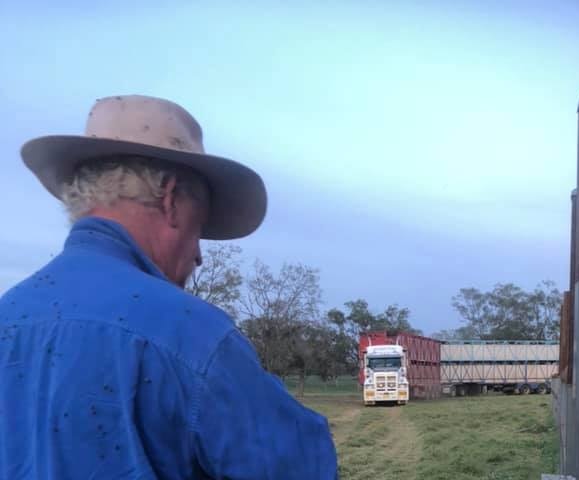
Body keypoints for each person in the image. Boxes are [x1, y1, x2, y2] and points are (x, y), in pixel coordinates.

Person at [0, 95, 338, 479]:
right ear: (171, 200)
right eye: (199, 229)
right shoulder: (192, 337)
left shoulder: (8, 316)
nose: (198, 256)